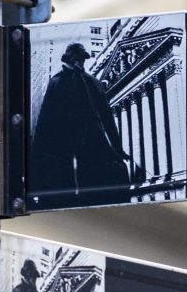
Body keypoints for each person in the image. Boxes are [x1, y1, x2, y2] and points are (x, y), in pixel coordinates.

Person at [29, 42, 133, 205]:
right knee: (64, 188)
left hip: (91, 142)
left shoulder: (93, 83)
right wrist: (38, 157)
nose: (80, 62)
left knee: (100, 183)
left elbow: (107, 119)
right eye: (76, 58)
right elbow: (44, 122)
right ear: (69, 59)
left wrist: (118, 148)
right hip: (63, 145)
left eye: (82, 59)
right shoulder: (56, 82)